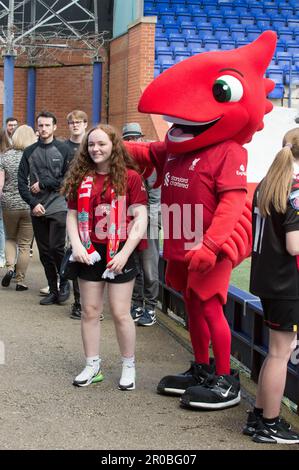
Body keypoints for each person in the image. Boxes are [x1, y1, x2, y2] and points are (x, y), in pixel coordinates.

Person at [125, 31, 276, 409]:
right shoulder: (178, 146)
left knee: (210, 306)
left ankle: (226, 379)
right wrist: (105, 144)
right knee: (192, 305)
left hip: (209, 246)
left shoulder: (227, 151)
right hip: (182, 239)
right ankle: (203, 367)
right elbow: (144, 151)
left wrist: (212, 245)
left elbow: (231, 202)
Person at [63, 124, 148, 389]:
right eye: (91, 145)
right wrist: (77, 245)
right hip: (89, 250)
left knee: (121, 313)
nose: (96, 149)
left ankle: (129, 366)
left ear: (114, 145)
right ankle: (92, 365)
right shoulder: (82, 177)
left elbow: (140, 218)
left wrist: (125, 253)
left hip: (119, 248)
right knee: (90, 311)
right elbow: (72, 214)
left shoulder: (131, 177)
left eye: (101, 144)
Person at [243, 129, 299, 444]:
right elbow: (295, 245)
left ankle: (259, 416)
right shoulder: (294, 188)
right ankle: (270, 423)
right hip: (286, 281)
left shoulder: (267, 183)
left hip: (267, 279)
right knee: (280, 352)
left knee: (274, 351)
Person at [18, 111, 72, 305]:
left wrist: (45, 183)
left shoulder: (64, 150)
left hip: (58, 205)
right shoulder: (29, 151)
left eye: (47, 125)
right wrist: (33, 203)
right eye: (40, 125)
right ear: (36, 128)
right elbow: (21, 183)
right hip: (37, 207)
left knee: (56, 247)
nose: (43, 129)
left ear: (54, 127)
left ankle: (65, 282)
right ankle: (54, 290)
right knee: (44, 252)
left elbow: (68, 180)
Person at [122, 123, 160, 326]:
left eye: (135, 138)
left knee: (149, 267)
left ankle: (151, 307)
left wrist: (144, 224)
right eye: (128, 138)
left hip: (149, 223)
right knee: (134, 265)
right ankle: (137, 304)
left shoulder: (149, 163)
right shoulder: (123, 164)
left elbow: (155, 199)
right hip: (129, 222)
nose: (132, 142)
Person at [0, 125, 36, 290]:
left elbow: (0, 184)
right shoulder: (34, 156)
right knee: (25, 243)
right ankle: (20, 280)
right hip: (29, 204)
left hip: (9, 204)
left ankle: (9, 268)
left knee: (10, 238)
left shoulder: (5, 157)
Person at [65, 110, 88, 320]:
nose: (75, 125)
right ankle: (79, 301)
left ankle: (91, 303)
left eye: (78, 122)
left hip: (95, 211)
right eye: (71, 122)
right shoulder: (64, 147)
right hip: (73, 208)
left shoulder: (91, 146)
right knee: (75, 253)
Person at [0, 128, 11, 267]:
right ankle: (3, 256)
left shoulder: (4, 156)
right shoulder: (8, 154)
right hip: (8, 196)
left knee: (2, 227)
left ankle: (2, 256)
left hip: (3, 195)